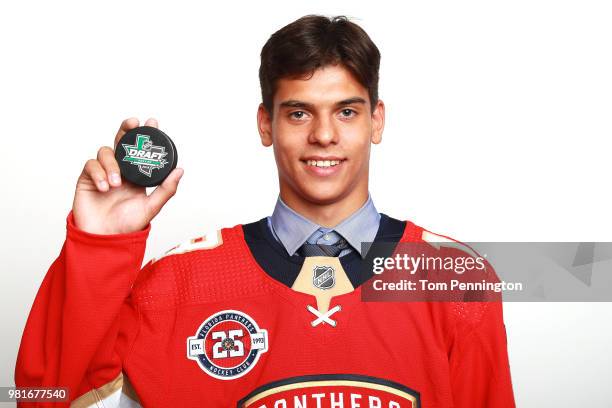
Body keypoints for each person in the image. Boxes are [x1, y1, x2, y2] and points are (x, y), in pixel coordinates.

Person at [15, 15, 515, 407]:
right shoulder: (174, 284)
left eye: (346, 111)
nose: (323, 135)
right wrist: (99, 245)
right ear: (265, 124)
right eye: (299, 113)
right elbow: (46, 400)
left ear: (376, 121)